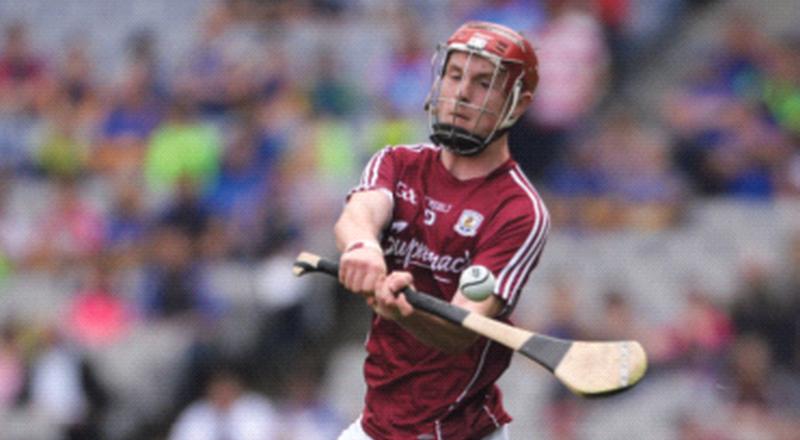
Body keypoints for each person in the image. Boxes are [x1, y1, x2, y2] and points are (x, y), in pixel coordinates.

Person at [334, 21, 550, 440]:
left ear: (518, 105)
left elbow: (463, 331)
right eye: (455, 76)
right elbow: (360, 211)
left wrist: (404, 312)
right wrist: (363, 247)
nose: (462, 93)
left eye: (483, 82)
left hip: (458, 432)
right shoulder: (397, 163)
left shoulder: (519, 210)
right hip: (377, 426)